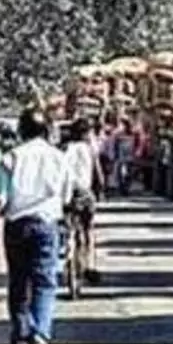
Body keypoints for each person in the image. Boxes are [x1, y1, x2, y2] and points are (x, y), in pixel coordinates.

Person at [0, 107, 73, 344]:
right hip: (47, 224)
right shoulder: (59, 157)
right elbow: (66, 195)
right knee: (44, 282)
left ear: (21, 130)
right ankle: (40, 334)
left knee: (18, 283)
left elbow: (1, 197)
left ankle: (21, 336)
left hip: (17, 225)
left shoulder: (10, 158)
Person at [62, 118, 104, 284]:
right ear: (86, 133)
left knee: (69, 227)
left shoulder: (65, 149)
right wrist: (100, 189)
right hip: (85, 194)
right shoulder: (89, 150)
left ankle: (68, 255)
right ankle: (90, 266)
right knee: (88, 230)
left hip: (69, 194)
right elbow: (99, 175)